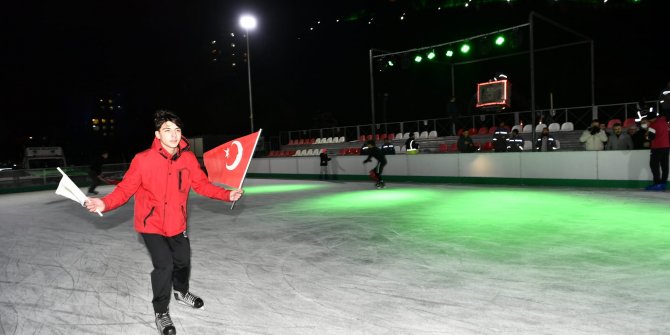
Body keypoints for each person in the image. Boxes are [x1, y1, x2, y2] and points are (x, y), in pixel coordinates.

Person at [84, 110, 244, 335]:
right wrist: (104, 204)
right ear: (157, 135)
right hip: (151, 224)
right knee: (164, 265)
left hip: (177, 223)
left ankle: (181, 292)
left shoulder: (187, 159)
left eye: (177, 130)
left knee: (183, 260)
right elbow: (125, 189)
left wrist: (227, 195)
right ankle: (161, 312)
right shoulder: (143, 160)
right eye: (167, 130)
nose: (174, 135)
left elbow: (201, 185)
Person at [641, 92, 670, 190]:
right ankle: (664, 183)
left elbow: (651, 138)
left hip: (657, 148)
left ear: (650, 119)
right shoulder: (663, 121)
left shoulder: (653, 125)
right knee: (665, 166)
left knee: (654, 165)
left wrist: (646, 136)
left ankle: (657, 183)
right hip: (666, 147)